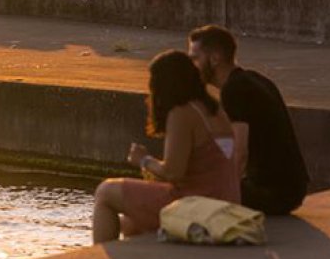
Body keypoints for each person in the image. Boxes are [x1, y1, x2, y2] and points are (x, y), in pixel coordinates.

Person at [91, 50, 241, 243]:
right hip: (226, 201)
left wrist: (143, 160)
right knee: (130, 223)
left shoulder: (182, 113)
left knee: (105, 191)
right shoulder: (214, 109)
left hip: (198, 203)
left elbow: (173, 173)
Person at [188, 25, 309, 216]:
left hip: (272, 192)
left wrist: (226, 199)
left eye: (195, 58)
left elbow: (240, 152)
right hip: (291, 188)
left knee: (191, 194)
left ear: (214, 58)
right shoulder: (253, 79)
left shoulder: (234, 90)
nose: (191, 65)